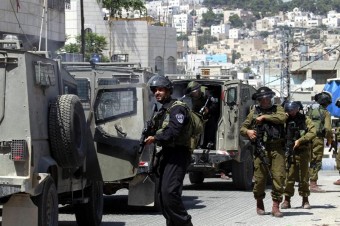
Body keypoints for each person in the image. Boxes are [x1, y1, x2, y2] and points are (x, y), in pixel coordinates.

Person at [144, 75, 193, 226]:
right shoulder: (161, 111)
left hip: (178, 155)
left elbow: (173, 131)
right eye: (155, 90)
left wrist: (155, 138)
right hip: (165, 155)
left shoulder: (178, 108)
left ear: (168, 91)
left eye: (160, 90)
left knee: (170, 194)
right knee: (162, 197)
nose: (157, 93)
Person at [240, 86, 287, 217]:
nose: (266, 101)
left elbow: (281, 118)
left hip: (277, 149)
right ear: (259, 100)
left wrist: (265, 117)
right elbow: (243, 128)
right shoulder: (254, 112)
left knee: (279, 177)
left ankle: (276, 206)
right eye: (263, 99)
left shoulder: (278, 109)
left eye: (267, 98)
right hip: (261, 150)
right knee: (260, 180)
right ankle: (259, 202)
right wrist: (248, 132)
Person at [281, 101, 316, 210]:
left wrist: (301, 140)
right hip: (289, 151)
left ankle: (305, 199)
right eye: (289, 110)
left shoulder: (305, 119)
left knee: (304, 176)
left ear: (298, 109)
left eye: (293, 109)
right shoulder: (284, 120)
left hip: (303, 151)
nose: (291, 112)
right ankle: (287, 200)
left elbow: (313, 132)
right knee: (289, 176)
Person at [307, 91, 333, 192]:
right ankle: (313, 184)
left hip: (308, 138)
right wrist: (329, 140)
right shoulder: (325, 113)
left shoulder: (310, 110)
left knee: (306, 160)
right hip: (318, 139)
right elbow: (328, 129)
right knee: (316, 160)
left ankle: (304, 183)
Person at [186, 81, 218, 148]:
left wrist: (208, 110)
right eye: (192, 93)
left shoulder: (207, 94)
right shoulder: (189, 96)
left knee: (210, 125)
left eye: (195, 92)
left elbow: (215, 105)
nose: (194, 94)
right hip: (195, 115)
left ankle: (209, 143)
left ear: (199, 89)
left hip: (207, 116)